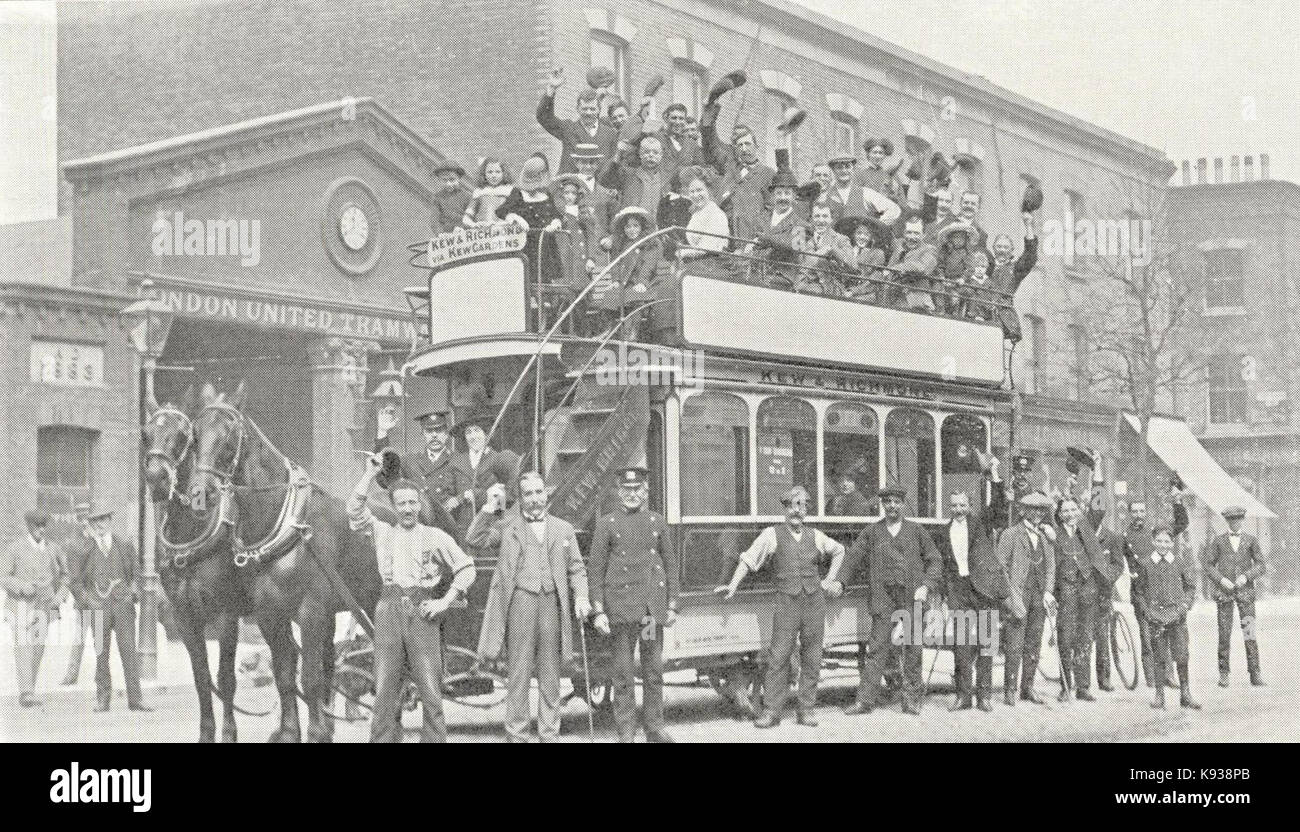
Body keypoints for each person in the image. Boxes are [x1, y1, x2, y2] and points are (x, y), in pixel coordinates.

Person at [348, 454, 476, 742]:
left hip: (423, 614)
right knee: (384, 689)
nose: (408, 509)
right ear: (394, 507)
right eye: (402, 503)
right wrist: (369, 475)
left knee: (431, 690)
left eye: (412, 503)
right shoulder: (381, 532)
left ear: (419, 505)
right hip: (388, 611)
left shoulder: (435, 537)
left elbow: (467, 569)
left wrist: (444, 601)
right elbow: (354, 511)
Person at [470, 474, 590, 742]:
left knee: (551, 675)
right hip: (520, 604)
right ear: (521, 498)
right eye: (528, 494)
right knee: (518, 674)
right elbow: (474, 538)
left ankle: (549, 735)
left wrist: (581, 597)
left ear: (546, 494)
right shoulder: (507, 527)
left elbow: (577, 569)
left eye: (539, 492)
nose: (535, 499)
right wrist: (489, 507)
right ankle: (517, 735)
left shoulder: (563, 529)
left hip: (551, 605)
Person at [717, 486, 846, 728]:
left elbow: (839, 550)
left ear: (807, 510)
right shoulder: (771, 534)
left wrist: (831, 579)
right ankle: (772, 712)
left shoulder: (816, 536)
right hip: (787, 603)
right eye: (793, 506)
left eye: (803, 506)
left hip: (814, 603)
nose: (798, 511)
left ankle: (806, 710)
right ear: (786, 509)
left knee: (812, 657)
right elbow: (748, 558)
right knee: (778, 657)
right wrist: (733, 585)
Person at [831, 483, 943, 716]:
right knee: (877, 649)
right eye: (887, 502)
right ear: (882, 505)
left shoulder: (916, 531)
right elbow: (852, 558)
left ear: (902, 505)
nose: (892, 506)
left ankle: (911, 700)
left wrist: (926, 585)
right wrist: (840, 581)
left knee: (913, 649)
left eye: (896, 502)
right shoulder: (872, 532)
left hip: (912, 598)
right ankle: (864, 701)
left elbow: (935, 560)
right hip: (883, 599)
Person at [589, 467, 679, 743]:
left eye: (636, 489)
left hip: (649, 613)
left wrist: (672, 604)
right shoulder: (607, 523)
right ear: (618, 492)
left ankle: (654, 727)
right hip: (621, 613)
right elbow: (595, 569)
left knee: (653, 671)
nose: (631, 494)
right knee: (623, 674)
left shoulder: (656, 522)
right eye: (626, 490)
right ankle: (626, 731)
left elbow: (670, 564)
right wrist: (599, 610)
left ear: (645, 491)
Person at [937, 459, 1009, 712]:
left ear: (970, 506)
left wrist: (995, 475)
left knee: (987, 643)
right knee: (962, 647)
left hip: (984, 590)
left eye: (963, 505)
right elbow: (945, 567)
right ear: (950, 506)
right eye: (954, 505)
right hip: (959, 592)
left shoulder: (980, 524)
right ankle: (963, 696)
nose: (959, 509)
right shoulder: (943, 532)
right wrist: (946, 595)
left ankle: (985, 696)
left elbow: (1000, 508)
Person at [69, 505, 152, 713]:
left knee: (129, 653)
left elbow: (136, 574)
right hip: (97, 608)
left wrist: (132, 593)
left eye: (103, 520)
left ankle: (136, 700)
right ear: (89, 524)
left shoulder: (124, 545)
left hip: (122, 606)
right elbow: (75, 581)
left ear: (110, 521)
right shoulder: (83, 549)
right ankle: (103, 699)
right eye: (94, 521)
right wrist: (87, 600)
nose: (99, 525)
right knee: (101, 654)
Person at [1051, 494, 1115, 702]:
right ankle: (1065, 686)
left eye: (1073, 510)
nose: (1070, 514)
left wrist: (1096, 472)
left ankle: (1083, 686)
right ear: (1059, 515)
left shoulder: (1086, 528)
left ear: (1079, 511)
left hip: (1089, 591)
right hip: (1066, 592)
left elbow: (1099, 507)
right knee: (1065, 639)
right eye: (1065, 511)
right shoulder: (1053, 533)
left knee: (1085, 638)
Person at [996, 491, 1057, 706]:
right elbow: (1000, 568)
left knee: (1034, 643)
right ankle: (1010, 688)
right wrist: (1011, 598)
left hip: (1039, 597)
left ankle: (1027, 687)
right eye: (1032, 509)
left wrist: (1049, 591)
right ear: (1023, 511)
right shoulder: (1010, 535)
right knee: (1014, 644)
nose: (1037, 513)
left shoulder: (1045, 537)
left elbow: (1051, 566)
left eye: (1041, 509)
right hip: (1018, 596)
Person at [2, 510, 68, 707]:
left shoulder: (53, 549)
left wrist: (59, 597)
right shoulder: (15, 549)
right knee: (23, 647)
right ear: (29, 527)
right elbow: (3, 576)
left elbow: (66, 575)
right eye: (37, 526)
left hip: (44, 605)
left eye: (44, 526)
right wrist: (22, 587)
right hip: (21, 604)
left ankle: (29, 687)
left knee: (38, 647)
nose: (41, 530)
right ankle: (26, 692)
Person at [1132, 524, 1200, 710]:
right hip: (1156, 618)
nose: (1163, 545)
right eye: (1159, 541)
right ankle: (1159, 694)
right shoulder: (1145, 564)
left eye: (1167, 541)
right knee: (1159, 656)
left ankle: (1185, 693)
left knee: (1182, 655)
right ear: (1153, 542)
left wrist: (1184, 606)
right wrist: (1147, 612)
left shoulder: (1179, 562)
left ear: (1172, 542)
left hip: (1177, 616)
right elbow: (1138, 592)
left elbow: (1190, 587)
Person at [1124, 490, 1187, 687]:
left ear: (1146, 511)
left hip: (1161, 591)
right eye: (1134, 511)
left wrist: (1177, 502)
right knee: (1146, 635)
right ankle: (1152, 678)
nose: (1139, 514)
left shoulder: (1156, 532)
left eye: (1142, 510)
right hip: (1141, 591)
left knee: (1166, 634)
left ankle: (1169, 676)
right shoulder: (1125, 537)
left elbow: (1181, 524)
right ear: (1130, 513)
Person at [1203, 505, 1267, 688]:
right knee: (1224, 633)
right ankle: (1224, 673)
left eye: (1238, 519)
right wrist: (1222, 580)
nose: (1235, 523)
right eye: (1232, 520)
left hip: (1245, 593)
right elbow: (1208, 565)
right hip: (1224, 594)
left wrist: (1246, 576)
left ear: (1242, 520)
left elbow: (1261, 565)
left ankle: (1255, 672)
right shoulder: (1218, 541)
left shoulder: (1251, 540)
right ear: (1227, 521)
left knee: (1250, 632)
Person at [375, 410, 472, 529]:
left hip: (447, 531)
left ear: (446, 434)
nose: (434, 435)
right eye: (429, 431)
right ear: (423, 434)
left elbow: (469, 493)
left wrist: (458, 499)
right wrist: (382, 432)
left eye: (439, 430)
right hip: (416, 531)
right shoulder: (410, 461)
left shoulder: (459, 460)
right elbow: (387, 474)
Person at [700, 102, 775, 241]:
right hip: (725, 233)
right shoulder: (730, 167)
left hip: (751, 236)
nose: (744, 149)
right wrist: (709, 117)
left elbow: (771, 207)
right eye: (740, 145)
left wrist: (759, 230)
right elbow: (711, 145)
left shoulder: (768, 174)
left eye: (748, 144)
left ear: (756, 146)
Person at [592, 206, 663, 340]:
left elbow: (649, 265)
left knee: (635, 297)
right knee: (610, 294)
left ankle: (632, 332)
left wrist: (642, 282)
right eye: (628, 227)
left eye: (635, 226)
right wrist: (616, 281)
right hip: (626, 283)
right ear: (623, 229)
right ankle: (609, 330)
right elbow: (617, 265)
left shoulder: (650, 244)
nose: (632, 230)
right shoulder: (622, 245)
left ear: (641, 227)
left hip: (647, 283)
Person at [536, 68, 619, 174]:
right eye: (584, 109)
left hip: (598, 189)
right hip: (571, 188)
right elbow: (544, 117)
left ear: (598, 109)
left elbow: (613, 168)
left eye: (592, 109)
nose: (588, 113)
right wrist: (551, 88)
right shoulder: (568, 129)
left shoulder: (610, 134)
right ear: (578, 109)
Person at [973, 213, 1037, 340]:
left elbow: (1030, 256)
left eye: (1006, 247)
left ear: (1012, 250)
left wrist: (1028, 225)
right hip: (978, 313)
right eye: (999, 246)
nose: (1002, 250)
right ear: (993, 248)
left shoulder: (1015, 269)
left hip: (1000, 317)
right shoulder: (984, 265)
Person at [599, 134, 666, 216]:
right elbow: (606, 182)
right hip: (633, 225)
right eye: (646, 152)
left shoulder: (667, 178)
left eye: (655, 152)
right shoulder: (628, 174)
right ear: (640, 154)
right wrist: (618, 155)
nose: (651, 155)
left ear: (661, 155)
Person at [826, 154, 901, 225]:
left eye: (848, 167)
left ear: (853, 169)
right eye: (839, 167)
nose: (844, 170)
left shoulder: (866, 193)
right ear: (833, 170)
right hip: (834, 238)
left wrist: (875, 226)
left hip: (859, 238)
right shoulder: (826, 195)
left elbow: (894, 209)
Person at [887, 213, 940, 312]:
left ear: (924, 235)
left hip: (915, 298)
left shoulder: (930, 250)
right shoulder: (899, 245)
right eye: (909, 232)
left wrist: (899, 268)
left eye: (916, 233)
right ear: (904, 233)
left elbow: (922, 268)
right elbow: (889, 267)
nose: (911, 237)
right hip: (892, 294)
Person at [835, 215, 892, 301]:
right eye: (859, 233)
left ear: (872, 236)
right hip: (843, 290)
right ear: (854, 234)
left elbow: (872, 280)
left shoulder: (878, 253)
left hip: (865, 294)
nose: (862, 237)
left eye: (866, 234)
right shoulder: (849, 249)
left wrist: (852, 292)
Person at [657, 102, 707, 189]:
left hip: (685, 194)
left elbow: (701, 169)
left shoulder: (692, 145)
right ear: (666, 119)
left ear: (684, 121)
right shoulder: (658, 139)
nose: (677, 122)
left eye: (681, 118)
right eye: (674, 118)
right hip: (662, 192)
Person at [462, 157, 513, 227]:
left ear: (504, 173)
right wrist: (474, 225)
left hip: (504, 232)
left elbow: (516, 216)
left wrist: (504, 223)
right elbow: (466, 218)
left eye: (498, 172)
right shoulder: (479, 193)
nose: (494, 175)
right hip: (483, 234)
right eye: (490, 172)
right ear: (484, 174)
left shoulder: (509, 192)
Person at [429, 161, 471, 234]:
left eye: (452, 180)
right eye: (444, 180)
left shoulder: (467, 196)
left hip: (465, 235)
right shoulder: (438, 198)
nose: (448, 184)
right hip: (446, 237)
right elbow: (435, 220)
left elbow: (471, 216)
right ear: (439, 180)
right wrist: (440, 233)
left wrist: (462, 227)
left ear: (459, 179)